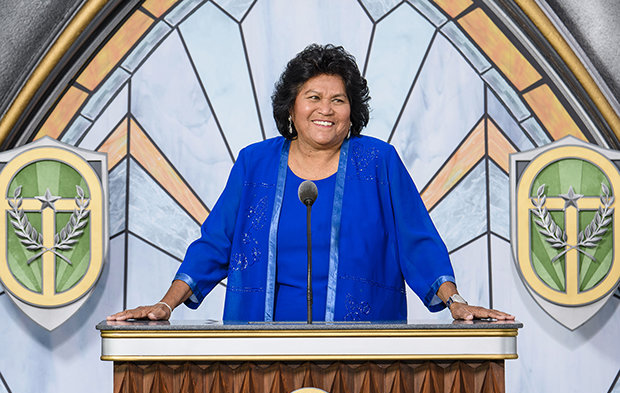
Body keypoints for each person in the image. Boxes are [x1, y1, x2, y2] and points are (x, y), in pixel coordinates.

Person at [108, 44, 513, 323]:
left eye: (338, 100)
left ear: (352, 113)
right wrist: (166, 305)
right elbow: (215, 244)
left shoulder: (378, 162)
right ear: (291, 108)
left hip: (362, 354)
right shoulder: (255, 163)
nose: (326, 109)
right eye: (313, 97)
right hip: (261, 354)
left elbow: (417, 242)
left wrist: (456, 302)